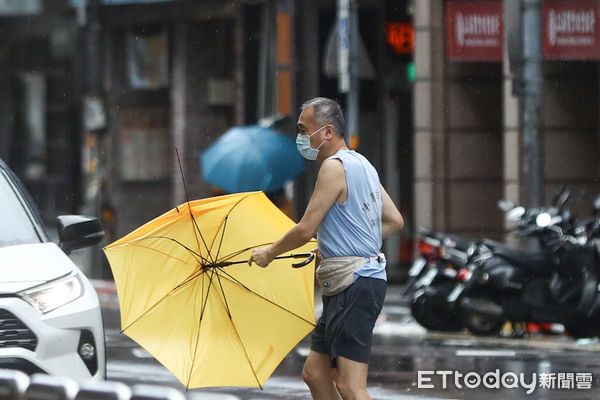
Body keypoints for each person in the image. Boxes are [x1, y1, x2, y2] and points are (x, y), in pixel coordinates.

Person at [248, 97, 404, 400]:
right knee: (315, 373)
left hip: (354, 285)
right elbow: (394, 220)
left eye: (304, 130)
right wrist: (341, 245)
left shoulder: (333, 168)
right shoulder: (364, 164)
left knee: (350, 386)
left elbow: (305, 228)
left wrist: (268, 253)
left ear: (328, 132)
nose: (301, 139)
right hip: (348, 282)